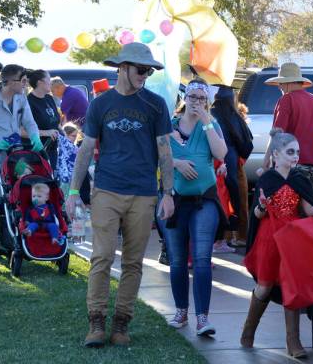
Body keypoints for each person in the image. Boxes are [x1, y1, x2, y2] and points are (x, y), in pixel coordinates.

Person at [65, 42, 174, 348]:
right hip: (107, 190)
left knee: (134, 262)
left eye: (149, 71)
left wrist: (169, 191)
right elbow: (86, 148)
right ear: (122, 68)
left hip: (143, 193)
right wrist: (74, 190)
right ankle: (96, 321)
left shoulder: (155, 104)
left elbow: (164, 149)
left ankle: (122, 323)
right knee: (100, 257)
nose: (145, 75)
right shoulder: (100, 104)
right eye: (141, 70)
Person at [242, 131, 313, 359]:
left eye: (297, 152)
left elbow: (309, 211)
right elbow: (258, 215)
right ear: (276, 154)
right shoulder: (267, 180)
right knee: (265, 286)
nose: (295, 157)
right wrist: (262, 206)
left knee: (292, 284)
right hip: (270, 238)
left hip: (292, 238)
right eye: (290, 152)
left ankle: (293, 341)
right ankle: (248, 331)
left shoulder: (300, 179)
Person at [163, 78, 228, 335]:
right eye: (193, 97)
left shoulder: (211, 124)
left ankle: (203, 318)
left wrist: (207, 122)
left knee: (202, 258)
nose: (196, 103)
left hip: (205, 199)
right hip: (175, 199)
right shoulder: (170, 126)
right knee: (178, 259)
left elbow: (221, 153)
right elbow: (159, 158)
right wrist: (178, 164)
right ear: (184, 99)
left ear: (208, 102)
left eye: (202, 99)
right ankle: (181, 312)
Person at [0, 64, 41, 237]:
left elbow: (29, 122)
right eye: (23, 80)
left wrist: (35, 137)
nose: (26, 84)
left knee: (22, 194)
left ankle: (18, 232)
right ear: (10, 82)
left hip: (17, 156)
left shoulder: (21, 99)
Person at [262, 63, 313, 199]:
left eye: (281, 83)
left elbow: (277, 134)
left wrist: (266, 159)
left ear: (288, 83)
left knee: (292, 214)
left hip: (292, 167)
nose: (279, 87)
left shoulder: (287, 99)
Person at [211, 85, 253, 248]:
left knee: (219, 199)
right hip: (233, 163)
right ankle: (238, 237)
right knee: (237, 201)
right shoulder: (235, 116)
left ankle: (220, 239)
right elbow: (247, 145)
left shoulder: (209, 115)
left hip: (214, 164)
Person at [26, 70, 61, 172]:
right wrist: (46, 133)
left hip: (53, 150)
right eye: (49, 79)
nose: (51, 82)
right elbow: (21, 130)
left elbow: (56, 122)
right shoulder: (28, 102)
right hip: (38, 152)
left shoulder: (49, 98)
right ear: (39, 82)